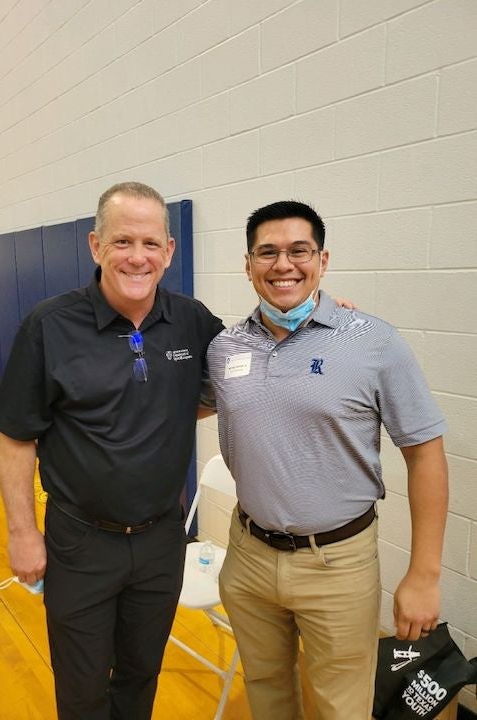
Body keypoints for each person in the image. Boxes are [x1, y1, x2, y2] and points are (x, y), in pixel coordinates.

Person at [0, 181, 224, 720]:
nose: (136, 257)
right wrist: (23, 533)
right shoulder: (50, 325)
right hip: (80, 544)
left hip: (163, 538)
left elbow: (249, 365)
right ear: (96, 246)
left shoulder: (192, 320)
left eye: (149, 243)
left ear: (169, 251)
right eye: (122, 242)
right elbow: (15, 436)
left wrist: (319, 313)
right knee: (82, 687)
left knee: (141, 674)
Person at [206, 200, 449, 720]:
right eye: (267, 252)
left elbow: (425, 452)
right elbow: (181, 406)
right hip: (248, 555)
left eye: (299, 250)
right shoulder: (225, 348)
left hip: (337, 563)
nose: (283, 265)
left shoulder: (373, 342)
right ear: (248, 265)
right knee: (267, 690)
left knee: (342, 707)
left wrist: (424, 574)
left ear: (323, 259)